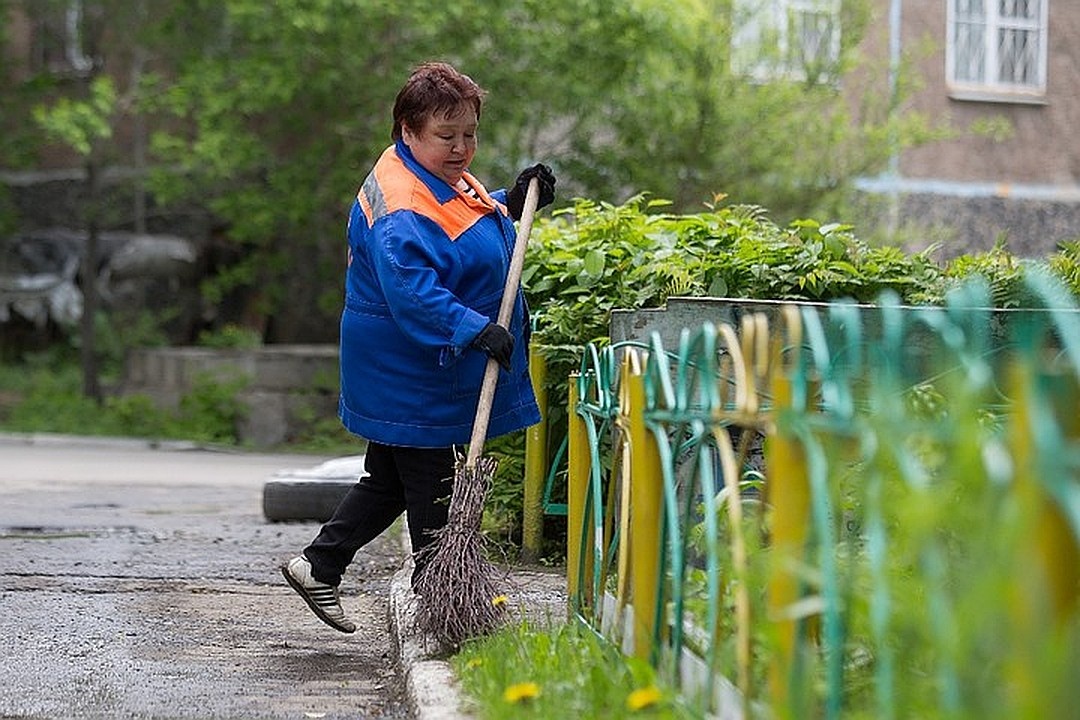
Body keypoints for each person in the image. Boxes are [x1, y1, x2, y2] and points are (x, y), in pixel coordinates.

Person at [282, 61, 556, 633]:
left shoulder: (430, 176)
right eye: (446, 136)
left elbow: (459, 227)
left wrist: (511, 199)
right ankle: (449, 615)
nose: (461, 149)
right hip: (413, 369)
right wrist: (473, 329)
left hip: (414, 365)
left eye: (469, 135)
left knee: (387, 481)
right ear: (408, 131)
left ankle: (319, 565)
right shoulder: (402, 205)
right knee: (435, 490)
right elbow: (413, 286)